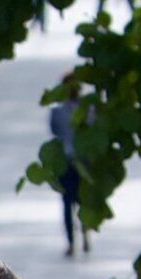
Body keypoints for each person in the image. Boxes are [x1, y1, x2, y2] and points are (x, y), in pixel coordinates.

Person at [48, 74, 85, 255]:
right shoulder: (88, 108)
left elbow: (54, 131)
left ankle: (72, 242)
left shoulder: (57, 110)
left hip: (65, 160)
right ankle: (84, 234)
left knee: (67, 203)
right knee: (83, 199)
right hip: (82, 159)